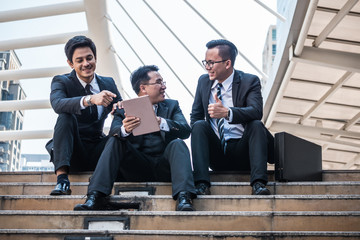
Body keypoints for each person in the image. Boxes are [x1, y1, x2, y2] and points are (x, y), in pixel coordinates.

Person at [74, 65, 197, 211]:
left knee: (178, 143)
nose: (163, 86)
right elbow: (113, 131)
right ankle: (95, 196)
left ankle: (184, 197)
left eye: (163, 82)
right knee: (115, 138)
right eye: (159, 82)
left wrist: (161, 122)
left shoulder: (172, 105)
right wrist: (125, 129)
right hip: (137, 166)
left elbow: (185, 130)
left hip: (165, 166)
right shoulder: (123, 108)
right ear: (143, 88)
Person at [190, 39, 274, 196]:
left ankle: (258, 184)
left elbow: (256, 111)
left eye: (211, 63)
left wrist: (227, 112)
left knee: (256, 124)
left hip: (244, 151)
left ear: (227, 63)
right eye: (205, 62)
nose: (207, 67)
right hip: (217, 152)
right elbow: (195, 116)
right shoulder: (203, 81)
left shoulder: (249, 81)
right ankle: (201, 184)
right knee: (199, 125)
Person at [46, 35, 122, 196]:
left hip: (98, 149)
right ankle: (62, 181)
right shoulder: (61, 81)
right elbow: (57, 104)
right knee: (65, 116)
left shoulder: (108, 83)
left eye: (89, 58)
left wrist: (119, 109)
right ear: (70, 63)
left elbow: (121, 110)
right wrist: (90, 99)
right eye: (79, 60)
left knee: (119, 135)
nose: (86, 64)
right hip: (72, 150)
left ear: (95, 58)